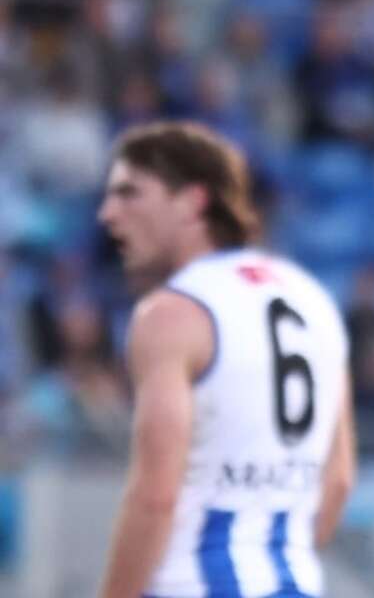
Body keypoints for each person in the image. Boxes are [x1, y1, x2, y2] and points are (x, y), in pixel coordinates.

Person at [96, 123, 355, 598]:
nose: (108, 214)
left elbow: (156, 496)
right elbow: (337, 479)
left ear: (193, 201)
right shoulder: (312, 300)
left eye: (129, 194)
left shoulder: (172, 314)